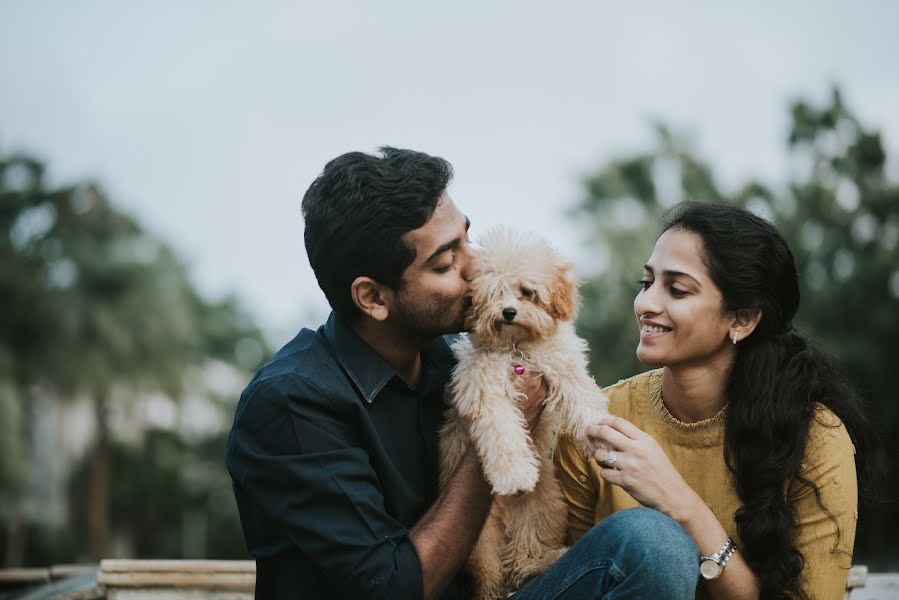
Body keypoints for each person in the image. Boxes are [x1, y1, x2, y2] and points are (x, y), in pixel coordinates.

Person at [224, 147, 701, 600]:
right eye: (447, 261)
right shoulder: (290, 404)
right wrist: (493, 438)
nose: (475, 270)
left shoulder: (460, 349)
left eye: (467, 238)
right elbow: (394, 590)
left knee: (648, 542)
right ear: (373, 298)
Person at [554, 202, 880, 600]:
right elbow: (569, 579)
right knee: (651, 541)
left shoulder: (815, 439)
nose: (645, 304)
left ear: (741, 319)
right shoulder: (595, 421)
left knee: (657, 537)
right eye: (646, 283)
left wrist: (681, 504)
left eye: (676, 289)